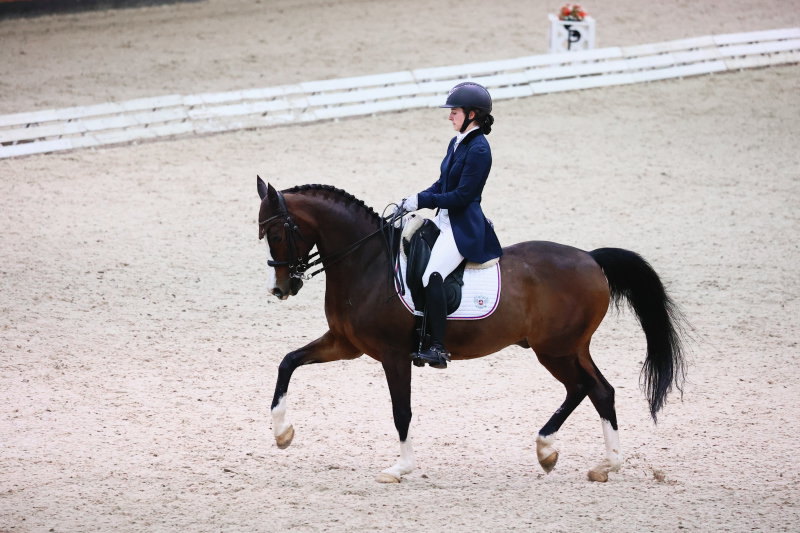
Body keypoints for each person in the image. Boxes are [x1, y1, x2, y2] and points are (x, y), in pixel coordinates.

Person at [398, 81, 503, 369]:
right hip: (443, 220)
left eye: (454, 111)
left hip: (462, 226)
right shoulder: (456, 142)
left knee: (433, 275)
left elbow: (463, 195)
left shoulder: (479, 148)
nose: (450, 116)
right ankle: (419, 332)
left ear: (472, 114)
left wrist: (425, 198)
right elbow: (443, 183)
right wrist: (415, 199)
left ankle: (438, 347)